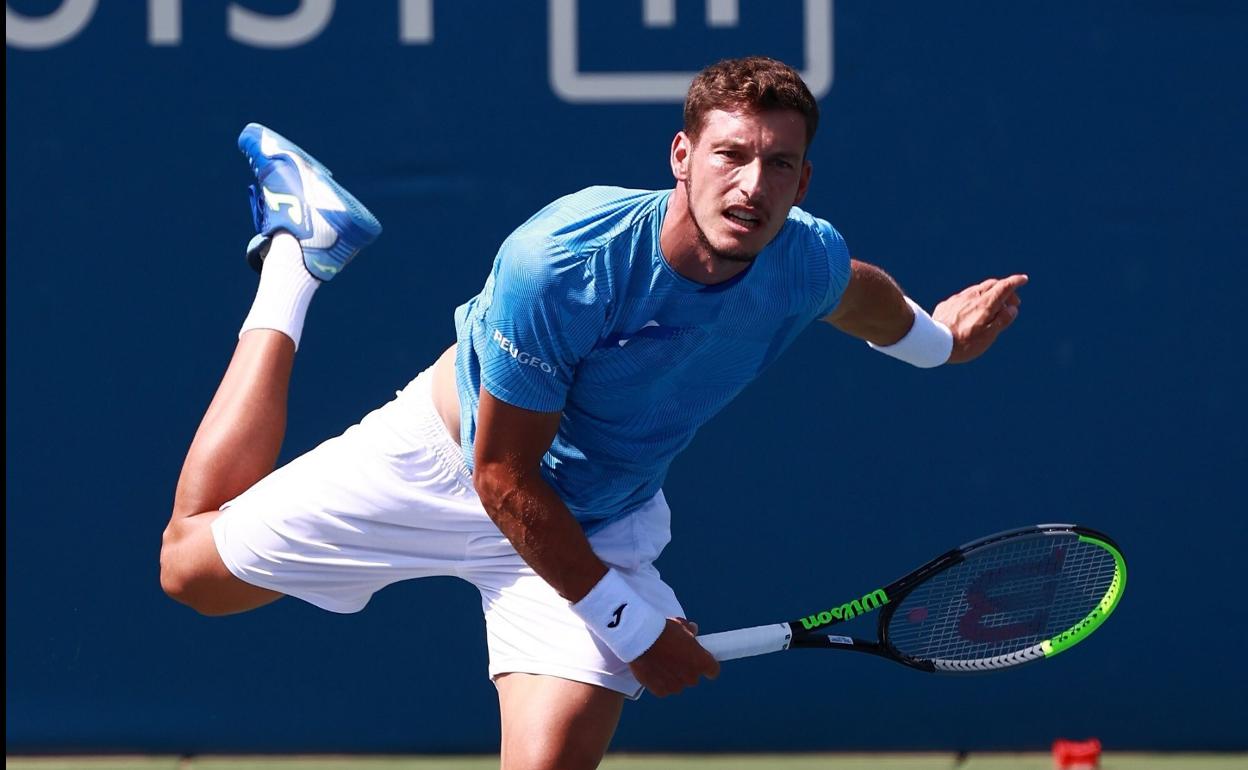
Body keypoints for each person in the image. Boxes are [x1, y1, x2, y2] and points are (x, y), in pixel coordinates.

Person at [160, 56, 1026, 770]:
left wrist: (940, 344)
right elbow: (502, 476)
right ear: (681, 156)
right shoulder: (565, 264)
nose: (752, 186)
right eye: (731, 155)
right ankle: (297, 259)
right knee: (191, 571)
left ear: (804, 180)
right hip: (449, 463)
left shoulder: (805, 257)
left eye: (779, 165)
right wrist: (632, 623)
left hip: (595, 519)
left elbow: (860, 298)